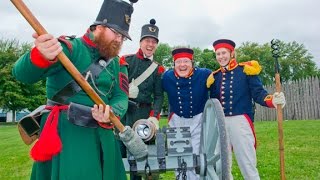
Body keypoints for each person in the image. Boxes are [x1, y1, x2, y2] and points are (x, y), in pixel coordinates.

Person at [12, 0, 138, 179]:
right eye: (116, 33)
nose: (119, 40)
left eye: (123, 37)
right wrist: (41, 55)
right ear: (99, 26)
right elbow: (21, 74)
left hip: (103, 132)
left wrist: (112, 112)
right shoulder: (68, 49)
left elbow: (120, 96)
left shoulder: (118, 63)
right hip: (68, 133)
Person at [207, 39, 286, 180]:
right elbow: (213, 103)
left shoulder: (246, 71)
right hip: (220, 124)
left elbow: (258, 93)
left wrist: (272, 100)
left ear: (232, 53)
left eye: (224, 53)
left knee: (247, 163)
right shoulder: (215, 77)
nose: (221, 56)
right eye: (218, 54)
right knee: (220, 166)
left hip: (241, 121)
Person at [118, 18, 165, 180]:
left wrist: (154, 116)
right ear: (140, 42)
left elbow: (158, 96)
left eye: (153, 42)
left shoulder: (158, 69)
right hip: (124, 112)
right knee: (119, 154)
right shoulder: (126, 60)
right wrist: (125, 92)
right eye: (147, 41)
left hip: (144, 116)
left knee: (141, 158)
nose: (150, 45)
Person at [162, 47, 212, 180]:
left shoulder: (204, 74)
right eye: (178, 62)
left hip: (198, 119)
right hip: (177, 120)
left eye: (186, 61)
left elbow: (220, 80)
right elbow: (155, 90)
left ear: (192, 63)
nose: (182, 65)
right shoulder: (167, 77)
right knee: (178, 156)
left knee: (196, 156)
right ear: (174, 64)